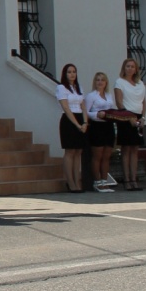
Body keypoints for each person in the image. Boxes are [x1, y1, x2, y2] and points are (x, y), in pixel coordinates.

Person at [114, 58, 146, 191]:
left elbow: (144, 102)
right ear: (124, 68)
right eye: (127, 66)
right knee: (126, 149)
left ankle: (134, 179)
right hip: (125, 117)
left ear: (136, 69)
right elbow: (119, 102)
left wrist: (143, 117)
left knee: (135, 149)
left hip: (138, 117)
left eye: (132, 66)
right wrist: (129, 117)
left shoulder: (140, 84)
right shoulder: (119, 82)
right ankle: (126, 180)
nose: (130, 68)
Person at [56, 63, 88, 193]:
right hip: (69, 121)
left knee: (78, 152)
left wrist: (85, 122)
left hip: (81, 119)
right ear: (65, 74)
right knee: (70, 151)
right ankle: (70, 182)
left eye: (74, 71)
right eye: (69, 72)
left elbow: (84, 106)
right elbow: (66, 107)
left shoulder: (79, 87)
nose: (72, 74)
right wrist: (77, 124)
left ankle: (77, 181)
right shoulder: (61, 87)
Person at [85, 71, 118, 193]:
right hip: (97, 126)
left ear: (106, 82)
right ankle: (97, 181)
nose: (100, 82)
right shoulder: (91, 96)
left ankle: (105, 180)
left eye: (102, 80)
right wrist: (97, 114)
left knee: (106, 155)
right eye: (98, 80)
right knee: (97, 155)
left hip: (108, 126)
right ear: (95, 82)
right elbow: (86, 112)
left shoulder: (109, 95)